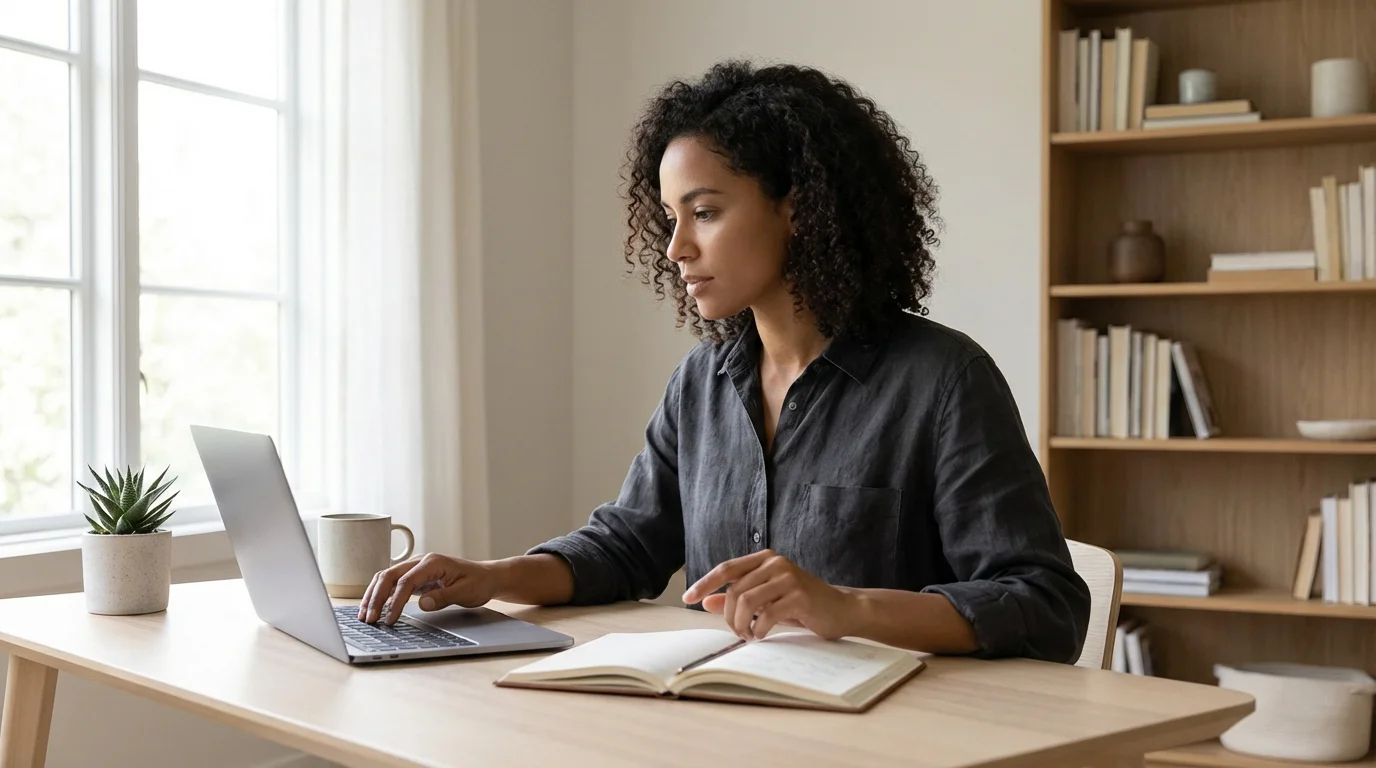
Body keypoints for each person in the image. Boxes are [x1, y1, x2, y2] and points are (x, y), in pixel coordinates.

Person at [359, 59, 1091, 662]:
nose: (677, 248)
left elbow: (1044, 602)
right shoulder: (702, 383)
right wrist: (489, 576)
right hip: (729, 719)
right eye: (671, 218)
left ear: (798, 208)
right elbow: (626, 546)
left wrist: (845, 607)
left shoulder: (943, 380)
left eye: (704, 213)